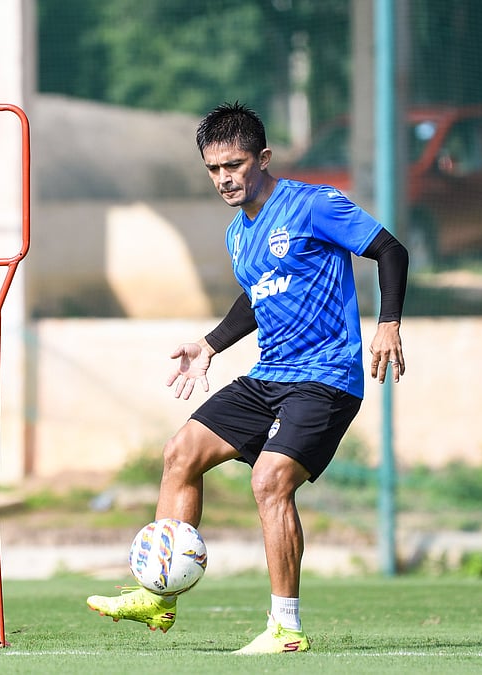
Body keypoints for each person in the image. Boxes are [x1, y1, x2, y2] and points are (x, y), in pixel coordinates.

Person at [86, 101, 409, 654]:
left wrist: (389, 323)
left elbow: (389, 249)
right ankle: (158, 599)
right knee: (180, 453)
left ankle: (286, 629)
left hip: (326, 376)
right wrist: (210, 345)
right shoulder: (240, 235)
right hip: (270, 374)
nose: (224, 179)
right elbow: (257, 296)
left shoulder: (312, 204)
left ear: (262, 158)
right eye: (213, 169)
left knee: (269, 481)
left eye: (233, 165)